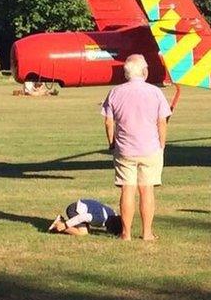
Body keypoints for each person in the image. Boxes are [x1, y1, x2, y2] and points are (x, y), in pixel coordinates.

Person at [101, 54, 172, 241]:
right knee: (147, 190)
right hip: (150, 148)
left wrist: (111, 143)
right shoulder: (155, 92)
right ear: (145, 71)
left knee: (127, 189)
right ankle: (147, 233)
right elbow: (162, 122)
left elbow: (109, 122)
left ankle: (126, 233)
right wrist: (162, 144)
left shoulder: (115, 92)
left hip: (124, 149)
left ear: (126, 73)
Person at [48, 198, 123, 237]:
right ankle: (58, 224)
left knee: (87, 230)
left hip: (81, 206)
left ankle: (61, 222)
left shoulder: (113, 213)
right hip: (75, 209)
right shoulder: (100, 219)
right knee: (82, 233)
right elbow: (83, 217)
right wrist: (66, 225)